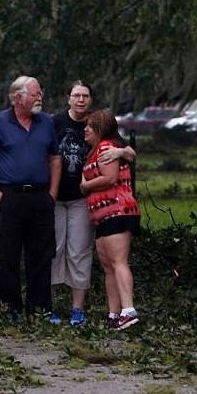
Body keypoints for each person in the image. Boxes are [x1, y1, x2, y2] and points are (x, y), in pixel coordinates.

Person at [50, 81, 134, 327]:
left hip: (81, 201)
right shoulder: (54, 123)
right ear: (68, 98)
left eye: (85, 96)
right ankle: (50, 306)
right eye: (76, 95)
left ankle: (78, 309)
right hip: (56, 197)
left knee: (79, 252)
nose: (80, 100)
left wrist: (120, 153)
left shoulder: (98, 124)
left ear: (90, 100)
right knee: (54, 250)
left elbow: (128, 151)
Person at [0, 75, 61, 320]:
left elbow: (55, 158)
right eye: (35, 94)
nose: (40, 98)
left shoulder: (46, 123)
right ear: (18, 97)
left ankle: (39, 308)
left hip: (40, 197)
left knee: (42, 255)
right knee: (7, 254)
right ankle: (7, 308)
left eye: (40, 94)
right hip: (10, 196)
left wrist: (52, 194)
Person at [80, 109, 141, 330]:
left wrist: (86, 185)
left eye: (90, 126)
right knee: (108, 267)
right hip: (102, 216)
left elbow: (110, 177)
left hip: (118, 211)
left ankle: (128, 310)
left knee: (119, 262)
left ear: (101, 129)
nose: (85, 129)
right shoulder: (94, 151)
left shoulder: (107, 147)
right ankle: (114, 313)